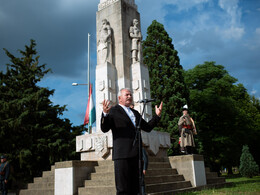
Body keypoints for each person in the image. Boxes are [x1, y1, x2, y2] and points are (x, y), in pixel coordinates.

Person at [101, 88, 163, 195]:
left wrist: (157, 116)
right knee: (123, 188)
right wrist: (105, 114)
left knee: (136, 187)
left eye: (130, 95)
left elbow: (147, 128)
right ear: (120, 98)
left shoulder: (135, 112)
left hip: (136, 154)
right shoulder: (114, 111)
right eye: (127, 95)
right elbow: (104, 128)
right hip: (122, 154)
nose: (129, 96)